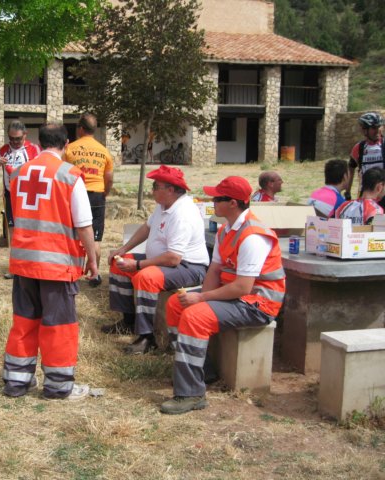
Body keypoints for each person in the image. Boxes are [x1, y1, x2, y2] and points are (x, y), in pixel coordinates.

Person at [161, 176, 285, 415]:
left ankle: (191, 394)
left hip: (258, 303)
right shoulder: (225, 231)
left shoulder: (252, 236)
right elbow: (215, 270)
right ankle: (198, 370)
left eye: (217, 199)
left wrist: (201, 299)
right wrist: (203, 296)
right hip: (236, 296)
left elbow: (243, 288)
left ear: (233, 203)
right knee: (177, 304)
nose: (213, 202)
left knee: (194, 316)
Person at [2, 123, 98, 400]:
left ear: (39, 141)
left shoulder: (19, 172)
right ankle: (58, 386)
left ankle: (17, 381)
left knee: (24, 321)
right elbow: (84, 225)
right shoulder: (69, 175)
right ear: (66, 144)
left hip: (24, 262)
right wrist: (92, 260)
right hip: (56, 265)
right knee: (59, 326)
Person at [103, 166, 209, 354]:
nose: (151, 190)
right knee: (119, 264)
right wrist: (123, 250)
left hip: (189, 267)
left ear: (170, 190)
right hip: (165, 261)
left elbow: (173, 258)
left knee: (146, 277)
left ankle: (147, 337)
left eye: (155, 186)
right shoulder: (164, 205)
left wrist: (137, 265)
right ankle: (128, 321)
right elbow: (147, 228)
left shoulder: (183, 214)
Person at [63, 113, 114, 287]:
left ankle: (72, 272)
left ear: (80, 129)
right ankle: (95, 275)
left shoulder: (69, 149)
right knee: (95, 239)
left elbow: (63, 173)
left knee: (73, 235)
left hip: (75, 193)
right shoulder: (103, 150)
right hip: (97, 194)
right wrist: (105, 192)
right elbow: (109, 177)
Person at [0, 120, 40, 279]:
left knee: (30, 231)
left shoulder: (33, 149)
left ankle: (32, 266)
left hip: (28, 196)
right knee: (13, 232)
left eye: (18, 139)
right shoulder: (4, 150)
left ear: (25, 135)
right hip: (10, 196)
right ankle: (16, 267)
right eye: (11, 138)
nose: (14, 142)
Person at [348, 112, 385, 208]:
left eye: (379, 127)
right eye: (374, 128)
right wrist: (347, 192)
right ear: (364, 130)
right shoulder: (358, 148)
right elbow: (351, 170)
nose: (378, 130)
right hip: (366, 198)